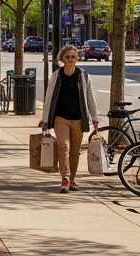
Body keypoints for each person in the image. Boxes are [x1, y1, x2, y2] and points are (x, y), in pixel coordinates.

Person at [39, 44, 100, 193]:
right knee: (63, 146)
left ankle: (72, 179)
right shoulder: (56, 76)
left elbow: (90, 98)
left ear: (77, 59)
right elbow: (48, 98)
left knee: (75, 151)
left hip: (79, 118)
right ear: (62, 59)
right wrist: (45, 119)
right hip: (61, 118)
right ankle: (64, 178)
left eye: (73, 57)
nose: (70, 60)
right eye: (67, 57)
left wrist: (95, 116)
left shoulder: (84, 76)